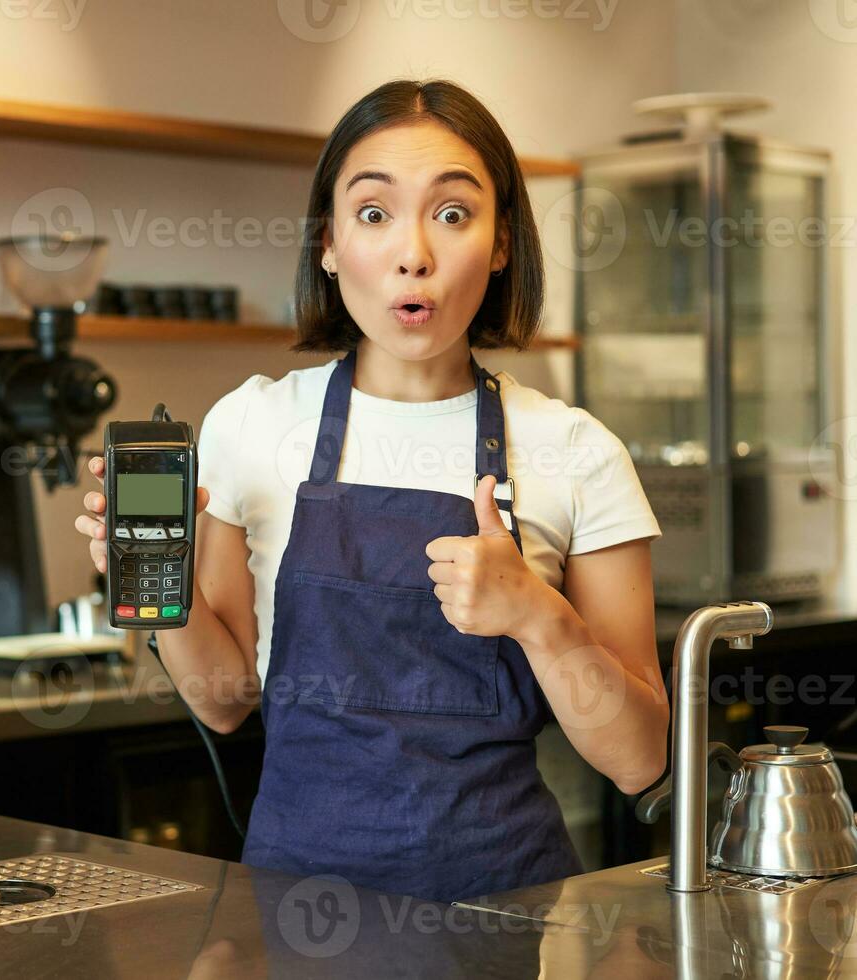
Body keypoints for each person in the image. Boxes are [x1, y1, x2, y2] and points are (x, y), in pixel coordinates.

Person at [74, 78, 668, 903]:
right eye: (374, 212)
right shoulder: (248, 425)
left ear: (502, 245)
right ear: (328, 242)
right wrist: (151, 584)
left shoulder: (575, 451)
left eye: (454, 213)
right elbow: (223, 701)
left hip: (499, 909)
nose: (413, 252)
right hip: (294, 906)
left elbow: (639, 759)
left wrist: (539, 615)